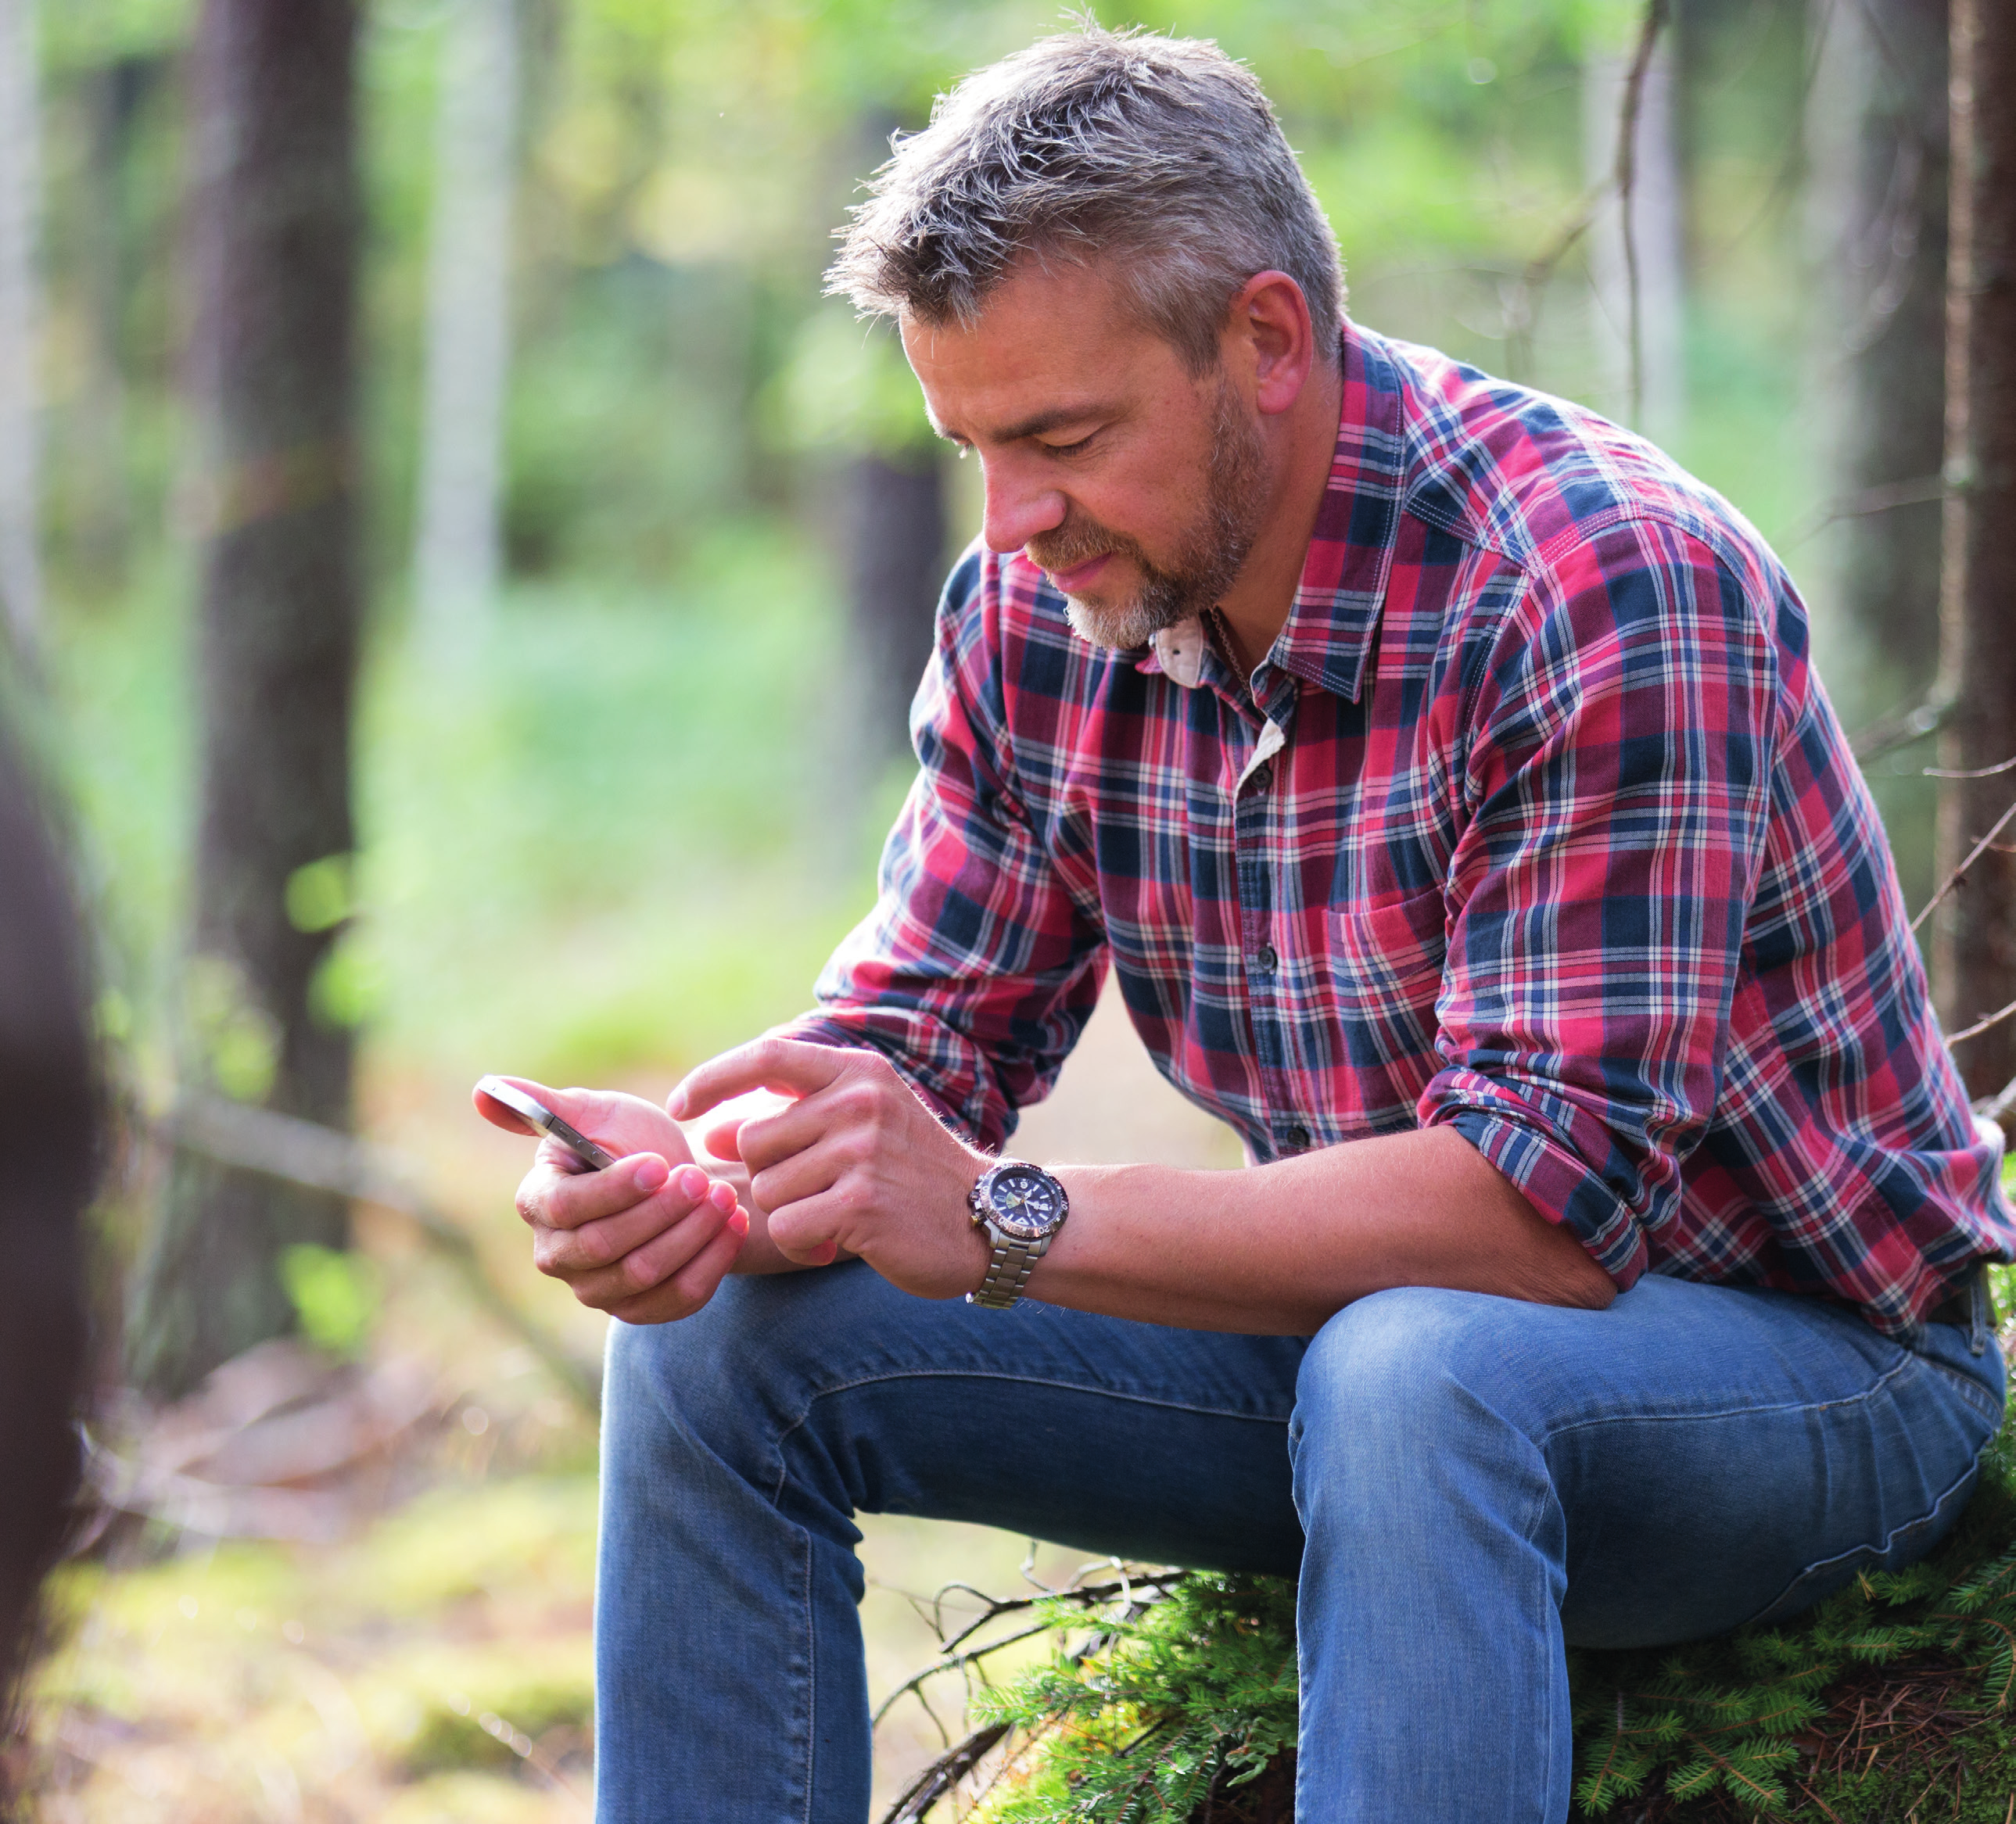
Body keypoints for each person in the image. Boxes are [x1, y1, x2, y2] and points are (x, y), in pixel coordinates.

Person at [481, 27, 2016, 1823]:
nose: (1017, 519)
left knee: (1418, 1364)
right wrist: (725, 1180)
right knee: (716, 1348)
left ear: (1265, 344)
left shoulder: (1598, 585)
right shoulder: (1039, 603)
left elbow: (1542, 1214)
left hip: (1808, 1382)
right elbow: (920, 1029)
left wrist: (995, 1214)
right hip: (1359, 1348)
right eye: (970, 443)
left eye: (1062, 436)